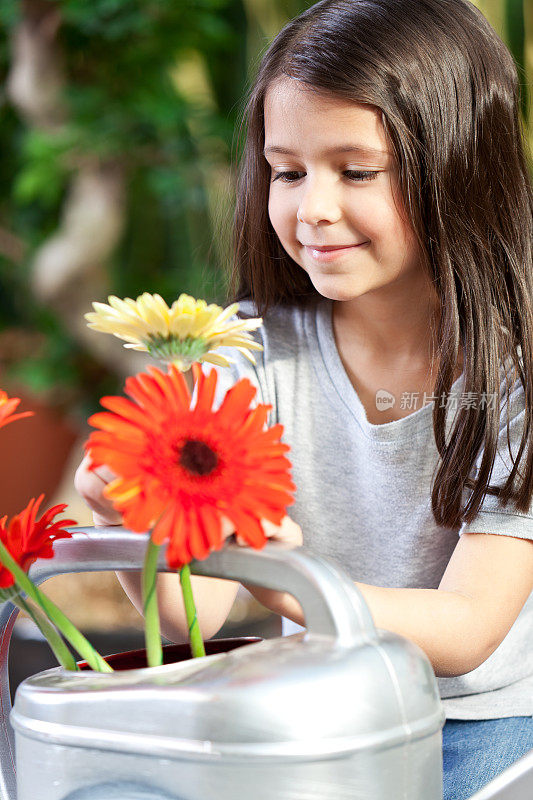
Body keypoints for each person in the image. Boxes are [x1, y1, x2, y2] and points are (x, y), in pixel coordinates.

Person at [75, 1, 533, 797]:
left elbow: (467, 633)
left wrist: (288, 577)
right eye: (287, 171)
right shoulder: (242, 351)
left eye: (355, 172)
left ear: (458, 168)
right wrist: (145, 517)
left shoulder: (513, 374)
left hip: (485, 720)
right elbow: (198, 615)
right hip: (318, 703)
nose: (311, 208)